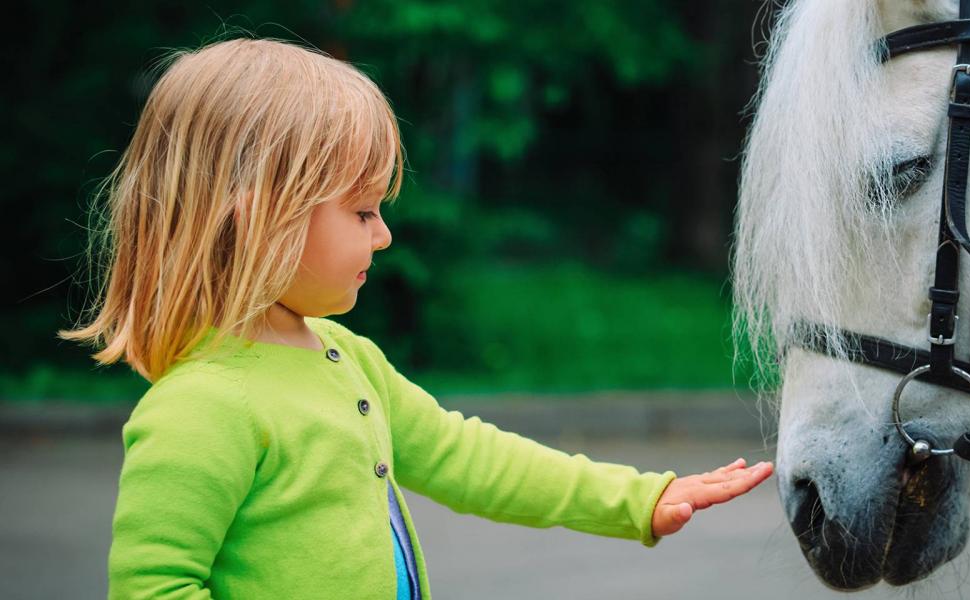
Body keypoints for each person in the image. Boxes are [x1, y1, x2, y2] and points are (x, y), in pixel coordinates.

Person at [59, 37, 773, 599]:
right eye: (363, 211)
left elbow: (472, 459)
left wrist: (640, 499)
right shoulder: (202, 407)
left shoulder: (347, 358)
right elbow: (153, 587)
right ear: (259, 220)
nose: (383, 235)